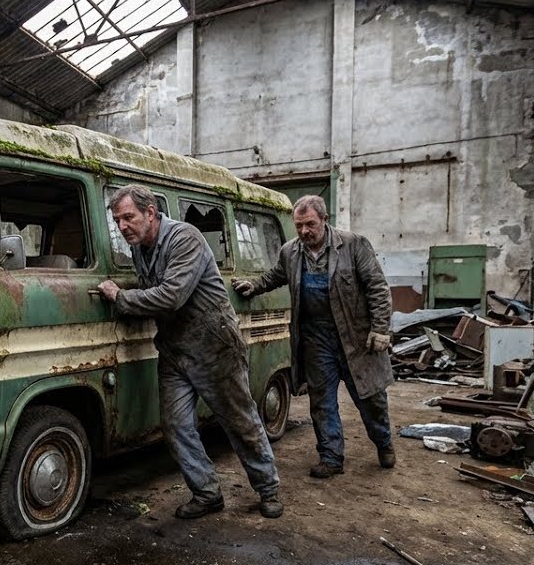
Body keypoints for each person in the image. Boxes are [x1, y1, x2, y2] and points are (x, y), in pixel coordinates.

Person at [96, 185, 283, 520]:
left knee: (239, 421)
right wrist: (128, 292)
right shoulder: (141, 248)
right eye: (117, 220)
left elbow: (171, 296)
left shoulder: (185, 238)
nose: (122, 226)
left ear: (150, 213)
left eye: (128, 217)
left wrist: (120, 298)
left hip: (215, 346)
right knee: (177, 425)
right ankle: (207, 493)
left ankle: (268, 489)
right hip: (175, 349)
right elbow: (154, 289)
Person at [231, 195, 395, 479]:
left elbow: (377, 288)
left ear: (325, 220)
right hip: (316, 339)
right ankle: (331, 457)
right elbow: (276, 276)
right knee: (321, 401)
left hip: (355, 339)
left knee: (370, 398)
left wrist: (380, 329)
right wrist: (254, 285)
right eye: (299, 226)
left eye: (310, 224)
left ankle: (383, 442)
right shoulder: (291, 252)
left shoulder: (354, 245)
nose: (305, 231)